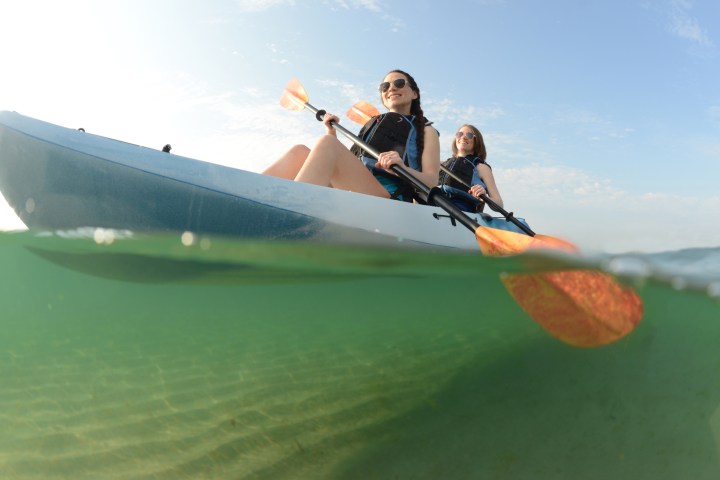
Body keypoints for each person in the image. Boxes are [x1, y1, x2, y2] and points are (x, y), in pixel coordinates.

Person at [262, 69, 440, 202]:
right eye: (385, 86)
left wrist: (401, 167)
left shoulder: (427, 131)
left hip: (391, 196)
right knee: (300, 151)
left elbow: (431, 182)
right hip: (358, 187)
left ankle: (290, 209)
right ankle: (247, 196)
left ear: (414, 93)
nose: (391, 88)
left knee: (327, 144)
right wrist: (331, 133)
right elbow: (344, 162)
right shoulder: (374, 123)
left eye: (399, 83)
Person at [438, 124, 504, 211]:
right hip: (434, 206)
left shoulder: (482, 168)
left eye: (469, 135)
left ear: (476, 141)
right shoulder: (440, 164)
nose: (463, 137)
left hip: (461, 213)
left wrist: (484, 196)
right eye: (460, 134)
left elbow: (499, 204)